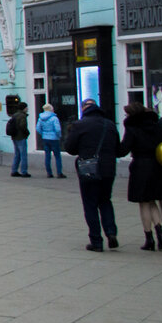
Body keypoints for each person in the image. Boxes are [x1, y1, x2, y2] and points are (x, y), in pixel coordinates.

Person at [64, 98, 120, 252]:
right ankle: (111, 232)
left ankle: (96, 240)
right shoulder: (109, 125)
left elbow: (70, 148)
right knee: (105, 201)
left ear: (83, 109)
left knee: (90, 204)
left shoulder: (79, 125)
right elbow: (118, 148)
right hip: (109, 169)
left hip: (89, 169)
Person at [119, 102, 162, 251]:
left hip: (141, 168)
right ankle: (160, 235)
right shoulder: (156, 126)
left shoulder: (133, 128)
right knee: (153, 201)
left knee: (144, 204)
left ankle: (149, 239)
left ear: (132, 115)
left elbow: (123, 149)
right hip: (158, 166)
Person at [37, 103, 65, 178]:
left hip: (45, 138)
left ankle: (49, 173)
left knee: (47, 156)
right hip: (54, 138)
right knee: (57, 156)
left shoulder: (40, 118)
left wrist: (43, 134)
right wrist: (59, 136)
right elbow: (58, 129)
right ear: (51, 109)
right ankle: (59, 173)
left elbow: (38, 129)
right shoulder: (54, 118)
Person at [8, 101, 31, 177]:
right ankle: (24, 171)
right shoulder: (22, 116)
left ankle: (14, 170)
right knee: (23, 155)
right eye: (26, 107)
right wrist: (27, 133)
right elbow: (23, 126)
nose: (27, 108)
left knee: (17, 154)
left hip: (14, 137)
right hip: (21, 137)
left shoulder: (15, 115)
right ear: (24, 108)